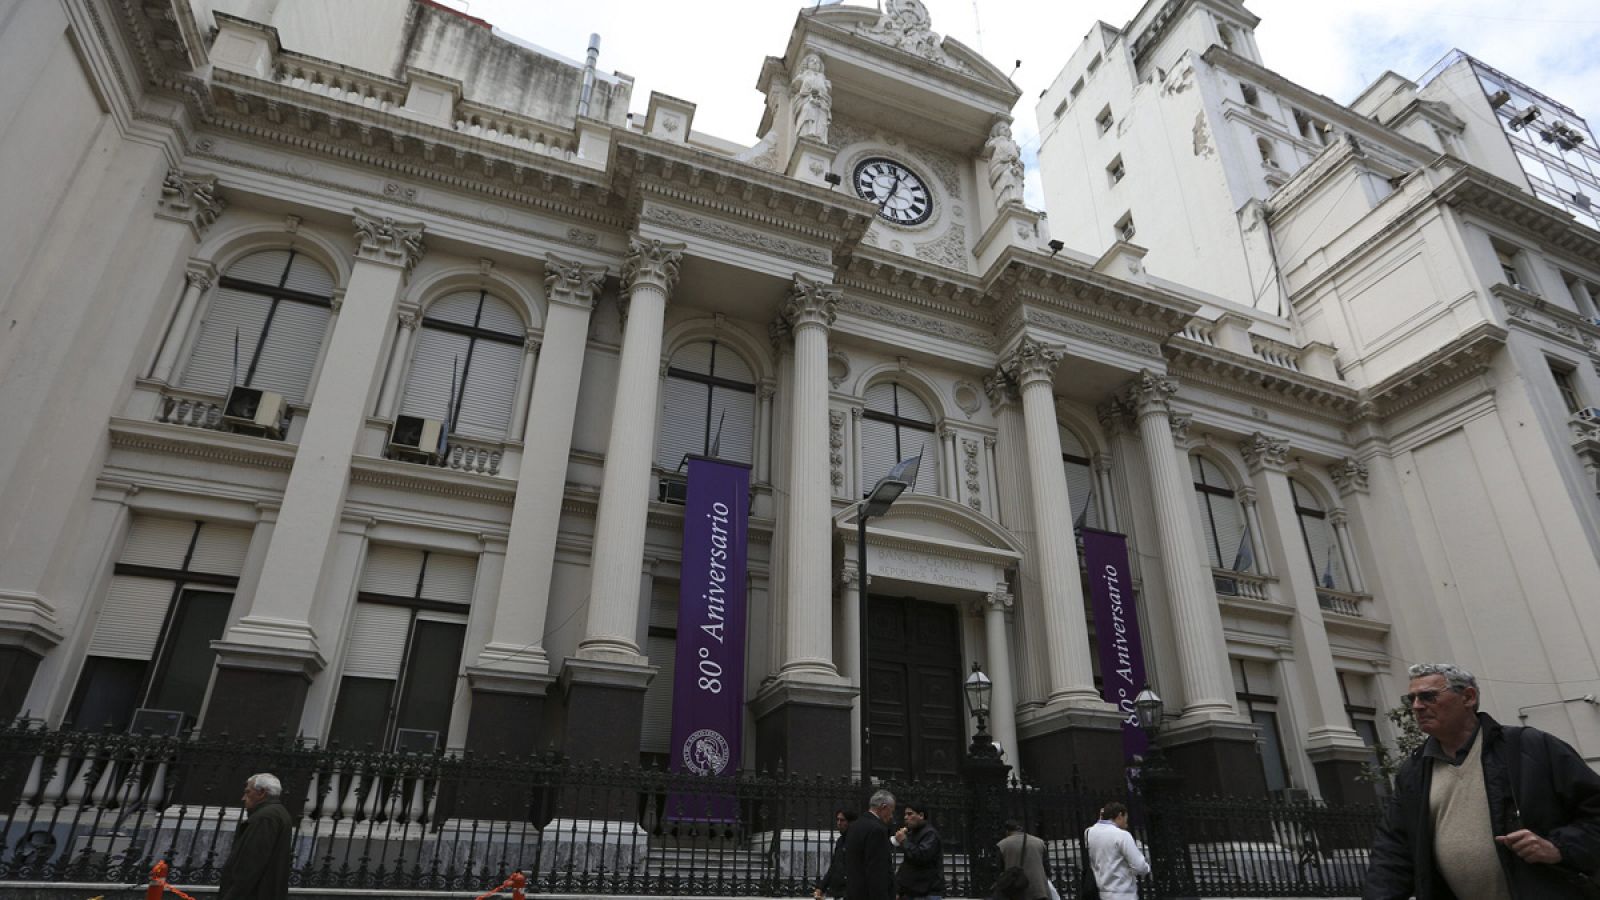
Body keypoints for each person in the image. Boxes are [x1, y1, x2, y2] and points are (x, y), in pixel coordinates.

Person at [1363, 662, 1600, 899]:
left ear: (1468, 697)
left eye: (1428, 696)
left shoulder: (1530, 748)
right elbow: (1393, 851)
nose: (1416, 706)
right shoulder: (1414, 771)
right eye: (1411, 699)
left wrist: (1558, 847)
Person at [218, 773, 294, 900]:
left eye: (248, 792)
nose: (243, 798)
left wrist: (232, 895)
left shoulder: (265, 817)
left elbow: (251, 862)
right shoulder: (276, 813)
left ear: (261, 793)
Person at [1085, 801, 1149, 900]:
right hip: (1124, 892)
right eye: (1126, 819)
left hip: (1103, 893)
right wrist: (1145, 869)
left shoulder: (1090, 833)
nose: (1126, 823)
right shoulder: (1122, 835)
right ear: (1120, 815)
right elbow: (1140, 866)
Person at [845, 789, 896, 900]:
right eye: (891, 811)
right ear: (883, 807)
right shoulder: (877, 830)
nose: (891, 816)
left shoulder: (854, 826)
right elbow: (877, 871)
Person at [891, 801, 943, 900]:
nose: (906, 817)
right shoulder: (912, 834)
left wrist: (904, 841)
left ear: (921, 815)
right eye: (905, 814)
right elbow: (907, 865)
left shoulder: (930, 834)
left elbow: (921, 857)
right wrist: (898, 889)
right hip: (911, 892)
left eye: (910, 814)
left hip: (926, 893)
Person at [995, 819, 1050, 900]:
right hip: (1038, 888)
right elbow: (1046, 867)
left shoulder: (1002, 845)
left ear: (1007, 831)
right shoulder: (1039, 842)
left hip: (1016, 889)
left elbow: (1000, 869)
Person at [816, 809, 858, 900]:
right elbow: (834, 866)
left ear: (850, 822)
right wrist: (821, 888)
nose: (839, 823)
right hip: (838, 892)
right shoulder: (840, 841)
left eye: (842, 820)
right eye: (837, 820)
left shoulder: (856, 841)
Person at [792, 53, 832, 143]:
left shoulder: (825, 80)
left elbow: (827, 94)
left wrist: (820, 95)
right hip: (806, 101)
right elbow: (796, 86)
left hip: (821, 103)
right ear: (807, 64)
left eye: (817, 62)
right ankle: (807, 134)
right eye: (812, 61)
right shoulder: (802, 76)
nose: (815, 63)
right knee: (808, 111)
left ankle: (818, 137)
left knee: (821, 118)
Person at [984, 121, 1025, 207]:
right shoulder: (996, 140)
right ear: (997, 131)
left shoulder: (1012, 142)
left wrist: (1016, 154)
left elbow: (1015, 154)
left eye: (1007, 127)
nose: (1006, 129)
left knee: (1016, 179)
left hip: (1013, 165)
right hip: (1002, 166)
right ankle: (1007, 199)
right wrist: (991, 142)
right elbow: (988, 148)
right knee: (1006, 177)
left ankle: (1017, 198)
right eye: (1003, 127)